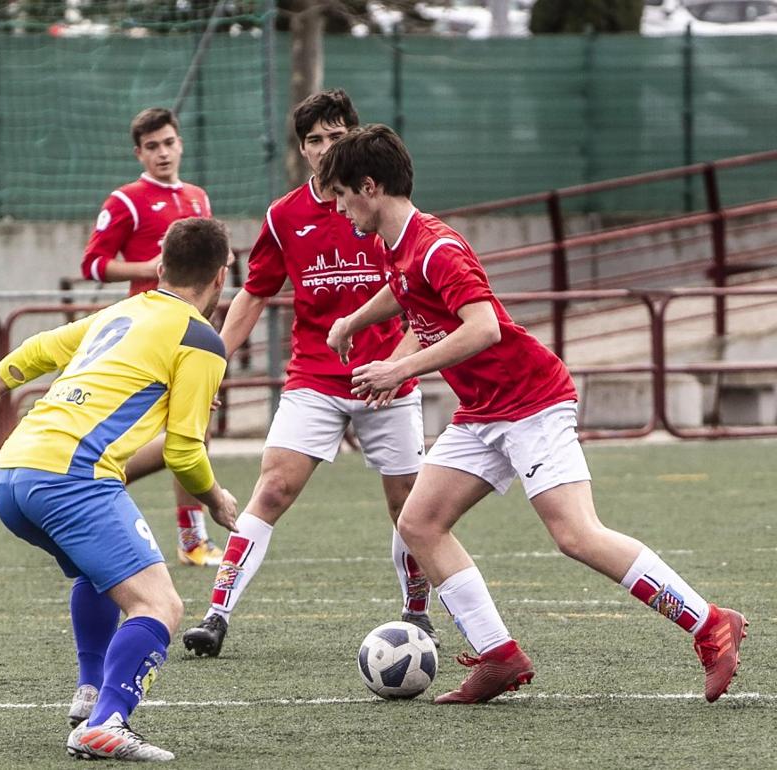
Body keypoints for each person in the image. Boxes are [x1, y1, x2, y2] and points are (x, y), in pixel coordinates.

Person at [319, 125, 747, 704]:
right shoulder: (397, 246)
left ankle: (710, 623)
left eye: (343, 193)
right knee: (418, 525)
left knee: (575, 534)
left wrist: (401, 369)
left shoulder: (438, 248)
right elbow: (404, 289)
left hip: (532, 402)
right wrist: (357, 320)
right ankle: (498, 656)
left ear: (370, 186)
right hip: (482, 410)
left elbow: (484, 327)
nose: (339, 206)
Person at [0, 217, 239, 760]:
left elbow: (40, 348)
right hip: (71, 477)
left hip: (13, 472)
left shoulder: (121, 312)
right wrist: (216, 498)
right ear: (222, 277)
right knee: (159, 606)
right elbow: (184, 451)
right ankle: (109, 722)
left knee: (101, 577)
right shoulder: (201, 339)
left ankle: (91, 692)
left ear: (161, 268)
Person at [182, 90, 435, 659]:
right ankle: (216, 614)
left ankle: (416, 611)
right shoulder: (284, 215)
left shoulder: (383, 203)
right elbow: (253, 294)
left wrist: (397, 365)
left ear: (354, 135)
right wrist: (210, 363)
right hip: (316, 379)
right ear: (301, 149)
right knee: (272, 487)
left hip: (390, 379)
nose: (325, 149)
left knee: (409, 506)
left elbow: (420, 297)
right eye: (314, 140)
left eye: (335, 135)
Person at [80, 107, 225, 567]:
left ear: (180, 143)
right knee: (175, 435)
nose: (162, 153)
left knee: (192, 433)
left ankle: (191, 540)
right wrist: (153, 268)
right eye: (152, 146)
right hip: (147, 334)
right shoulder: (125, 201)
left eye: (168, 143)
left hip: (191, 333)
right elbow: (94, 264)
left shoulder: (199, 198)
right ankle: (89, 488)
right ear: (139, 153)